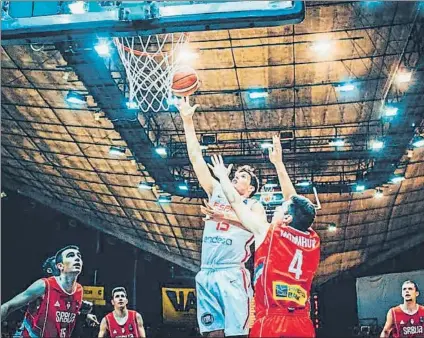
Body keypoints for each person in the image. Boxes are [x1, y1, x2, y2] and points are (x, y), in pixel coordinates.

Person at [207, 135, 320, 338]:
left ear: (286, 218)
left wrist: (223, 177)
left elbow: (235, 200)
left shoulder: (269, 232)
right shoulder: (312, 239)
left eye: (279, 209)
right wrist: (278, 164)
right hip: (303, 323)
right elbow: (293, 202)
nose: (275, 210)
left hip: (273, 320)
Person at [176, 97, 267, 337]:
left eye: (243, 177)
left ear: (251, 188)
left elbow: (260, 228)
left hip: (232, 273)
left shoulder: (254, 205)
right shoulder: (216, 191)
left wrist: (222, 215)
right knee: (211, 334)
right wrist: (187, 121)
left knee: (238, 334)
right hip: (207, 271)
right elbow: (196, 159)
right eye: (236, 174)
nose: (238, 176)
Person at [1, 245, 84, 338]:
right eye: (71, 255)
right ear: (60, 266)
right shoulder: (43, 285)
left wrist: (85, 314)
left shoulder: (79, 290)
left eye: (79, 256)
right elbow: (8, 306)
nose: (77, 258)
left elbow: (67, 309)